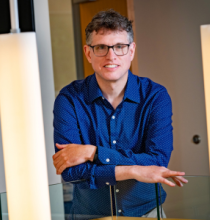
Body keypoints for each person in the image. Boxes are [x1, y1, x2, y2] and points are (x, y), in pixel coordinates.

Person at [52, 9, 187, 219]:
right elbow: (71, 172)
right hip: (89, 216)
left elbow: (158, 161)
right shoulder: (69, 99)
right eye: (101, 48)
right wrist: (134, 170)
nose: (111, 56)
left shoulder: (155, 97)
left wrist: (93, 152)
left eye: (119, 47)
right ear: (88, 53)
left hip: (147, 213)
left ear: (131, 51)